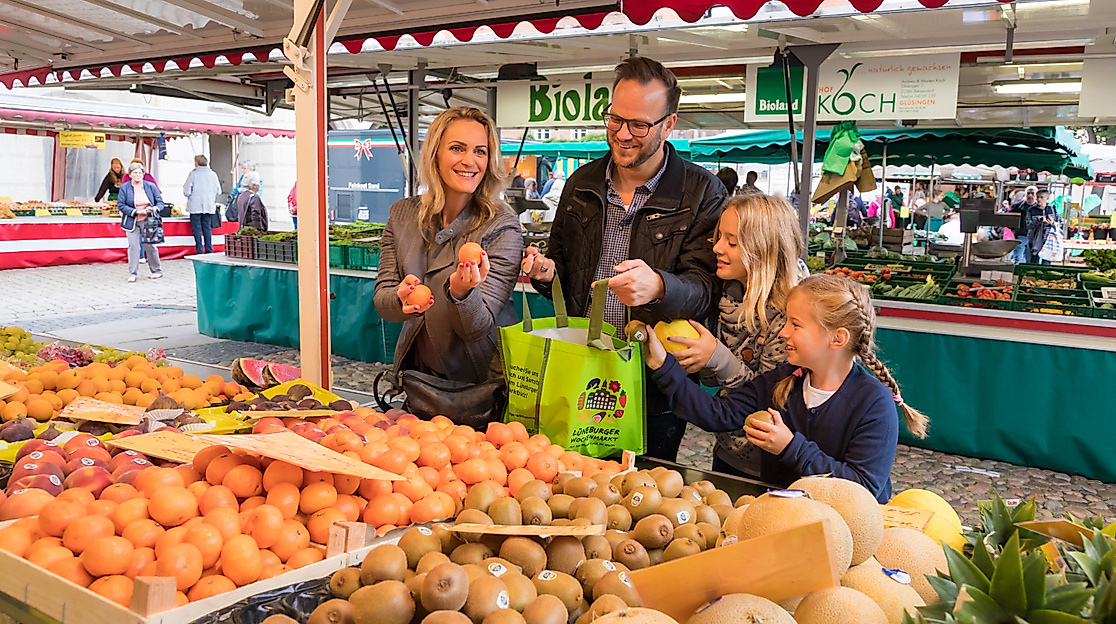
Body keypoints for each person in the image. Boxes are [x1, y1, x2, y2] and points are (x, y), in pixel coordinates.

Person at [520, 56, 726, 461]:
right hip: (578, 369)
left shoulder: (702, 192)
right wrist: (546, 272)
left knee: (644, 487)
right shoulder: (581, 183)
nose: (623, 134)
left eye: (639, 125)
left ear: (669, 124)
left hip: (652, 383)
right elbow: (564, 270)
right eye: (615, 119)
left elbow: (707, 289)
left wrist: (660, 286)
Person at [644, 274, 928, 502]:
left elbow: (863, 488)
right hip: (782, 521)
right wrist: (662, 365)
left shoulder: (874, 403)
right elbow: (717, 413)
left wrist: (791, 447)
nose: (783, 332)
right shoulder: (783, 380)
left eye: (796, 325)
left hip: (845, 534)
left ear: (837, 338)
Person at [373, 106, 523, 422]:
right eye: (457, 148)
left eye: (480, 151)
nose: (470, 161)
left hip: (480, 392)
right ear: (435, 154)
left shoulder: (502, 227)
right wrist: (400, 298)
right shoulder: (402, 215)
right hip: (420, 383)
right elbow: (383, 300)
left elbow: (476, 329)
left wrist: (462, 292)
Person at [657, 194, 804, 478]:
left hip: (771, 464)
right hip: (728, 450)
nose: (717, 248)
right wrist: (700, 360)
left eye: (732, 242)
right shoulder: (727, 296)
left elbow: (768, 398)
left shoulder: (790, 316)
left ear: (764, 249)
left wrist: (718, 358)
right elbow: (716, 382)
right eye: (719, 237)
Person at [117, 162, 164, 282]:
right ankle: (132, 273)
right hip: (131, 220)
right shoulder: (125, 187)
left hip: (148, 220)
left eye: (140, 173)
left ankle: (156, 271)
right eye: (135, 173)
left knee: (150, 246)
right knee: (133, 246)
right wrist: (135, 212)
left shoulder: (150, 186)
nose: (138, 175)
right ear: (130, 175)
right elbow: (121, 204)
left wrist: (153, 209)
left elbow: (160, 203)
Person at [183, 155, 222, 254]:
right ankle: (209, 249)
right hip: (209, 205)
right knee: (207, 227)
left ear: (196, 163)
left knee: (196, 229)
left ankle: (199, 250)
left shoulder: (193, 174)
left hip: (195, 206)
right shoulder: (213, 174)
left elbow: (187, 191)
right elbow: (219, 191)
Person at [1027, 189, 1060, 265]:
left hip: (1048, 239)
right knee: (1034, 260)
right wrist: (1038, 220)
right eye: (1037, 197)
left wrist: (1052, 222)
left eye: (1041, 197)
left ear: (1047, 198)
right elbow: (1028, 225)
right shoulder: (1031, 210)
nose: (1039, 199)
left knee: (1046, 261)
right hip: (1034, 239)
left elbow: (1060, 223)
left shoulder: (1052, 209)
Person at [1007, 186, 1038, 263]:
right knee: (1017, 258)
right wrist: (1013, 230)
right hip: (1021, 235)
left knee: (1031, 260)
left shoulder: (1039, 207)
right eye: (1028, 193)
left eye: (1032, 193)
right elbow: (1009, 218)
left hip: (1034, 237)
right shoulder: (1017, 206)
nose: (1030, 195)